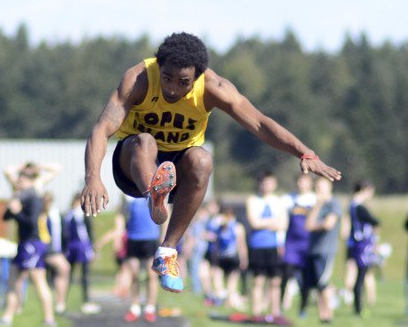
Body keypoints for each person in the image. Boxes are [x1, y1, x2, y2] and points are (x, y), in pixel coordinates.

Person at [80, 32, 341, 294]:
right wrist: (93, 177)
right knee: (146, 141)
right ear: (158, 66)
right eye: (167, 78)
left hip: (179, 165)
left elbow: (260, 124)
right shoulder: (139, 79)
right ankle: (154, 194)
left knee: (203, 159)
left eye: (183, 82)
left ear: (198, 77)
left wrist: (305, 152)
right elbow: (102, 128)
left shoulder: (214, 87)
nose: (172, 88)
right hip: (134, 162)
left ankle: (167, 251)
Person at [0, 168, 56, 327]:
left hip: (32, 243)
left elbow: (31, 223)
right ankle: (7, 318)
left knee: (38, 280)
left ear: (30, 182)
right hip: (24, 244)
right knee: (13, 279)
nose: (18, 183)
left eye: (21, 181)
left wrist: (17, 212)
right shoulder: (20, 196)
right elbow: (5, 217)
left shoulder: (35, 198)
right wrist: (13, 207)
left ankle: (49, 319)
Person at [246, 172, 288, 323]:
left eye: (270, 182)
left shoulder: (278, 201)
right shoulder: (252, 200)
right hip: (257, 245)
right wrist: (272, 222)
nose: (267, 186)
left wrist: (264, 222)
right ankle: (257, 312)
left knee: (275, 281)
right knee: (258, 280)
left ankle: (275, 312)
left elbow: (283, 224)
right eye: (264, 182)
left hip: (274, 246)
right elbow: (254, 223)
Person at [304, 178, 342, 323]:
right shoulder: (317, 205)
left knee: (324, 282)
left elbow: (328, 225)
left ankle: (329, 314)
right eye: (317, 187)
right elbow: (308, 226)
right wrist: (318, 205)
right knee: (317, 285)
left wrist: (316, 224)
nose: (318, 190)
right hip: (313, 250)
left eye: (322, 187)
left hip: (326, 249)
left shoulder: (334, 204)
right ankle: (322, 315)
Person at [120, 197, 161, 323]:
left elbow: (166, 212)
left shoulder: (154, 188)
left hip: (151, 238)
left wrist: (165, 238)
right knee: (134, 274)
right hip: (133, 238)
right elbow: (120, 214)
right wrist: (119, 235)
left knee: (152, 276)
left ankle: (150, 308)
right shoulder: (128, 193)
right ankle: (135, 307)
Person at [280, 174, 316, 314]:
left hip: (307, 244)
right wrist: (281, 242)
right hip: (291, 243)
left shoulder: (314, 200)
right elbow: (283, 221)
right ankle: (281, 306)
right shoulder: (288, 199)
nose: (302, 184)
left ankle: (303, 308)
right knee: (286, 275)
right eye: (300, 181)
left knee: (305, 279)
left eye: (305, 181)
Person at [346, 181, 380, 316]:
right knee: (361, 276)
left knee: (359, 275)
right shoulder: (358, 207)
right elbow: (375, 221)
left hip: (356, 244)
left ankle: (358, 306)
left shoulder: (352, 205)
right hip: (362, 245)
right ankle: (358, 308)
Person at [63, 193, 100, 314]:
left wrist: (92, 248)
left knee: (85, 275)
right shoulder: (68, 216)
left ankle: (86, 300)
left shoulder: (83, 215)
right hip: (71, 247)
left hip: (82, 247)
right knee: (68, 273)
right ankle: (63, 300)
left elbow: (88, 232)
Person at [42, 192, 71, 315]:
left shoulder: (56, 214)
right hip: (44, 250)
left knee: (64, 269)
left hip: (55, 250)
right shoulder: (41, 214)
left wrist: (64, 250)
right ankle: (57, 304)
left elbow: (63, 233)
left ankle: (60, 303)